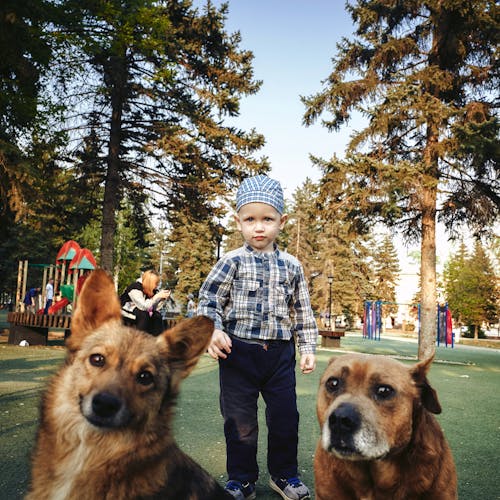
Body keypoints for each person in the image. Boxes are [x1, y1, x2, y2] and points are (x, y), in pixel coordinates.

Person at [197, 174, 318, 500]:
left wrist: (307, 346)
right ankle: (242, 480)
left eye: (267, 219)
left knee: (285, 418)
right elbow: (209, 300)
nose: (259, 227)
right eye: (250, 219)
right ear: (238, 222)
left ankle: (284, 476)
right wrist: (213, 330)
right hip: (238, 354)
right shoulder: (231, 262)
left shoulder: (292, 266)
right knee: (240, 423)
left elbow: (302, 310)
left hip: (279, 356)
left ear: (282, 221)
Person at [120, 270, 171, 336]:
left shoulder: (152, 290)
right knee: (144, 315)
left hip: (139, 309)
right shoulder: (135, 288)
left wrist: (161, 299)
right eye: (156, 283)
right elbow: (143, 306)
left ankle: (157, 340)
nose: (157, 286)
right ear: (150, 283)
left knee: (157, 315)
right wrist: (156, 296)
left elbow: (154, 308)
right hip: (125, 309)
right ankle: (138, 340)